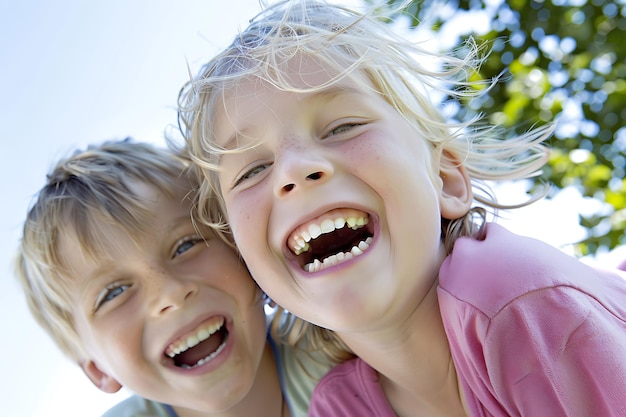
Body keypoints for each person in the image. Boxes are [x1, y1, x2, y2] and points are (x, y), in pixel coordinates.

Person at [178, 0, 626, 415]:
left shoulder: (522, 307)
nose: (293, 171)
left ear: (445, 180)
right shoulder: (341, 406)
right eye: (252, 170)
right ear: (248, 262)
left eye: (342, 127)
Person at [15, 138, 331, 417]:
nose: (169, 293)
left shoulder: (339, 350)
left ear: (239, 250)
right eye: (113, 293)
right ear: (99, 370)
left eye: (186, 246)